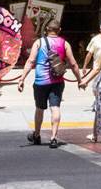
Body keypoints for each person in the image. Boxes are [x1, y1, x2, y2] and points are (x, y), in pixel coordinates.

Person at [17, 19, 82, 149]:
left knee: (40, 108)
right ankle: (53, 138)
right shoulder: (65, 43)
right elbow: (74, 64)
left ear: (46, 30)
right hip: (57, 81)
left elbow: (30, 61)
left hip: (41, 81)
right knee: (55, 108)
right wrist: (80, 80)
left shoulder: (39, 42)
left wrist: (22, 79)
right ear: (59, 30)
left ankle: (36, 135)